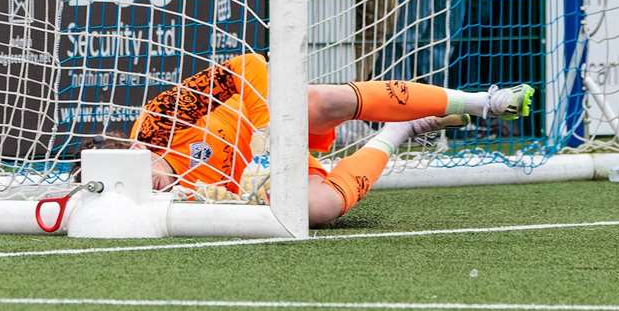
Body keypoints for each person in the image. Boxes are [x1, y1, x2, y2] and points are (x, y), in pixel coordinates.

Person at [111, 51, 532, 227]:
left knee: (322, 100)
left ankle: (484, 101)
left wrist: (267, 135)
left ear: (134, 153)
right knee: (320, 208)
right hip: (270, 181)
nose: (148, 189)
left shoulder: (157, 122)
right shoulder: (168, 203)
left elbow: (250, 65)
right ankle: (399, 131)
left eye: (139, 178)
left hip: (280, 120)